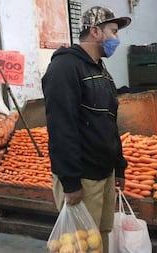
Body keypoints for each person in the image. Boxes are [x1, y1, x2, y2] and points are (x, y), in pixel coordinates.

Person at [42, 6, 131, 253]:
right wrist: (70, 181)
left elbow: (109, 122)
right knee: (78, 245)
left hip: (103, 174)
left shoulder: (100, 70)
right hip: (81, 177)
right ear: (95, 31)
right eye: (113, 31)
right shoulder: (64, 68)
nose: (116, 39)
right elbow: (61, 127)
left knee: (98, 241)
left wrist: (119, 166)